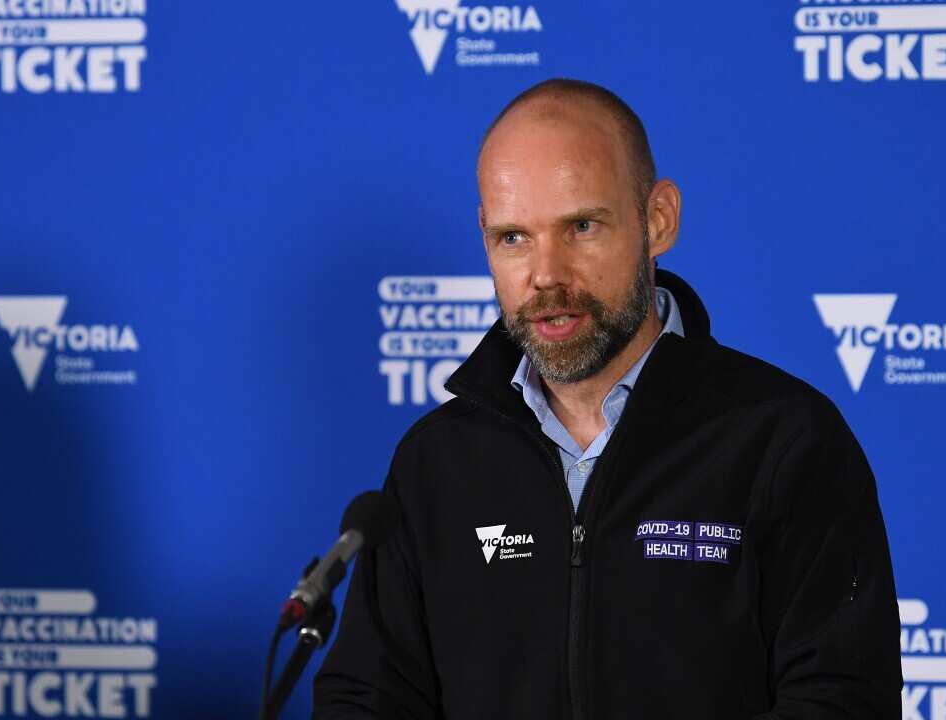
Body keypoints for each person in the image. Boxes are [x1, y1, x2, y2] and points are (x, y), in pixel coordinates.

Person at [313, 78, 902, 719]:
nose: (546, 275)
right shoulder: (435, 462)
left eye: (582, 226)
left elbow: (842, 701)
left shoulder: (784, 440)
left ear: (658, 219)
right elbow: (367, 701)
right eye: (514, 237)